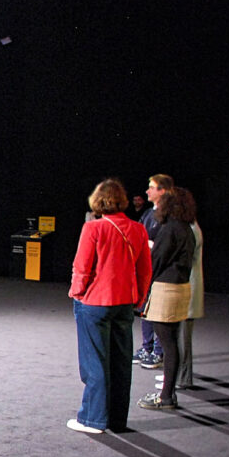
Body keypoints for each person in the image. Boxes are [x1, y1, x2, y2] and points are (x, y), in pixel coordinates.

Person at [67, 179, 151, 434]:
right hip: (124, 303)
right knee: (121, 363)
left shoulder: (93, 228)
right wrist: (139, 298)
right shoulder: (138, 229)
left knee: (94, 362)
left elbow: (82, 266)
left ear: (98, 201)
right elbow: (144, 270)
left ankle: (92, 419)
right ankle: (116, 419)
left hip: (95, 302)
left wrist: (76, 292)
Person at [137, 188, 197, 411]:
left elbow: (156, 261)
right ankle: (168, 394)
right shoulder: (186, 228)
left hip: (166, 289)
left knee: (168, 343)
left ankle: (165, 397)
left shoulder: (170, 228)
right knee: (171, 343)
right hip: (181, 288)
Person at [134, 174, 174, 370]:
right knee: (145, 309)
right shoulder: (149, 214)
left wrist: (151, 245)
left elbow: (169, 244)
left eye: (152, 187)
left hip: (162, 272)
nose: (147, 191)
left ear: (162, 191)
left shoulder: (171, 215)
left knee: (159, 312)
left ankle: (159, 351)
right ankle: (146, 348)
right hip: (147, 270)